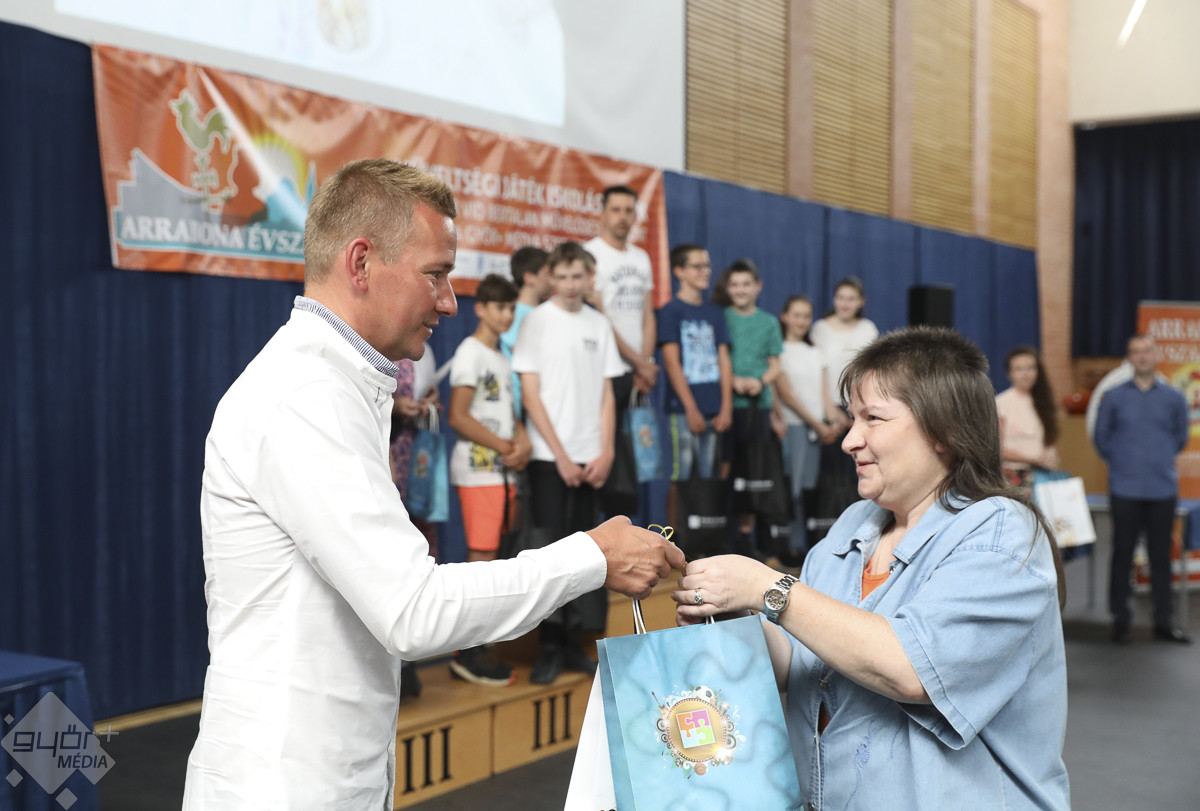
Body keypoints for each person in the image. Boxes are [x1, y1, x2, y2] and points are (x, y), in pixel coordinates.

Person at [182, 159, 684, 809]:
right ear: (361, 262)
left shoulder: (337, 385)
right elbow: (413, 610)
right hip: (282, 786)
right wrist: (592, 554)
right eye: (436, 274)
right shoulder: (304, 395)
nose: (449, 302)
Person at [672, 326, 1070, 809]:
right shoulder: (855, 523)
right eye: (851, 418)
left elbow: (913, 670)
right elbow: (800, 659)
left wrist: (767, 587)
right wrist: (733, 614)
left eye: (873, 419)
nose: (849, 440)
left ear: (944, 431)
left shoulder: (1000, 532)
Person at [512, 240, 626, 685]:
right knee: (549, 550)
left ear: (589, 277)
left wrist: (607, 451)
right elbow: (530, 394)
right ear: (550, 278)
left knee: (588, 551)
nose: (570, 284)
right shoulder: (536, 322)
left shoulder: (599, 323)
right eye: (561, 276)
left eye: (578, 276)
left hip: (592, 457)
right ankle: (549, 645)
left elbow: (607, 394)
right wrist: (559, 456)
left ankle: (576, 641)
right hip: (548, 459)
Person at [446, 274, 532, 686]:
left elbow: (506, 410)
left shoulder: (503, 354)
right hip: (479, 469)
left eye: (512, 307)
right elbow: (458, 416)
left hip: (501, 469)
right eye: (500, 307)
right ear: (480, 308)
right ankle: (467, 653)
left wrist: (522, 440)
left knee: (495, 559)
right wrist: (503, 445)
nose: (507, 315)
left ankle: (481, 647)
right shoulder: (470, 352)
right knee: (481, 560)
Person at [1094, 334, 1191, 645]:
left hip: (1162, 489)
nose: (1142, 356)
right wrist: (1125, 463)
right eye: (1135, 351)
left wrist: (1156, 459)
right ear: (1129, 358)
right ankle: (1120, 620)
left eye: (1147, 351)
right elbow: (1101, 437)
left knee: (1161, 558)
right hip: (1124, 489)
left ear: (1156, 355)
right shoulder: (1113, 396)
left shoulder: (1174, 397)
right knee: (1122, 555)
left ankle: (1164, 622)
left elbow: (1181, 437)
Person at [585, 185, 658, 516]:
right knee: (603, 458)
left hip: (637, 373)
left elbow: (647, 313)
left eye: (629, 210)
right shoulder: (591, 254)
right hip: (605, 370)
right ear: (602, 213)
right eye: (615, 209)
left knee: (632, 463)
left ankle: (626, 532)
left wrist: (646, 363)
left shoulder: (641, 257)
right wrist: (638, 362)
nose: (623, 217)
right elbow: (600, 318)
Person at [657, 243, 733, 530]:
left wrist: (725, 406)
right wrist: (690, 408)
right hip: (683, 409)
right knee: (682, 473)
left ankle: (703, 537)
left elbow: (723, 359)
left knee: (708, 475)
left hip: (714, 406)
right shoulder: (670, 311)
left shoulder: (715, 312)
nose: (705, 271)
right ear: (679, 271)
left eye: (707, 265)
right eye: (697, 266)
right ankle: (674, 537)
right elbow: (672, 362)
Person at [719, 259, 783, 558]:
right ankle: (722, 532)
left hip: (758, 407)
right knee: (726, 468)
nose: (740, 290)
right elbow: (717, 359)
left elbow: (775, 365)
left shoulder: (768, 322)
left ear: (758, 287)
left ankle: (746, 537)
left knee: (754, 471)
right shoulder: (721, 318)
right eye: (735, 284)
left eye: (746, 284)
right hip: (728, 406)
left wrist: (759, 381)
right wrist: (733, 380)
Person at [771, 294, 839, 562]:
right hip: (794, 427)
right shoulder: (779, 350)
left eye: (806, 316)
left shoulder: (815, 351)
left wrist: (833, 421)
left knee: (808, 489)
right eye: (796, 315)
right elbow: (787, 395)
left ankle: (803, 546)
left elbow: (824, 393)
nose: (801, 321)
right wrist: (817, 424)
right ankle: (787, 545)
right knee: (792, 489)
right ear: (785, 316)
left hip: (814, 430)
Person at [995, 345, 1060, 490]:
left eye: (1030, 368)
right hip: (1014, 478)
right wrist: (1034, 459)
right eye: (1019, 369)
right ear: (1009, 374)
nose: (1026, 374)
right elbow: (997, 449)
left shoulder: (1043, 402)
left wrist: (1049, 457)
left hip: (1044, 476)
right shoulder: (1001, 403)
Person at [500, 246, 552, 419]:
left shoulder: (546, 313)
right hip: (519, 404)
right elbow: (521, 353)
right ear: (529, 278)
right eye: (547, 274)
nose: (552, 279)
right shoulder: (514, 314)